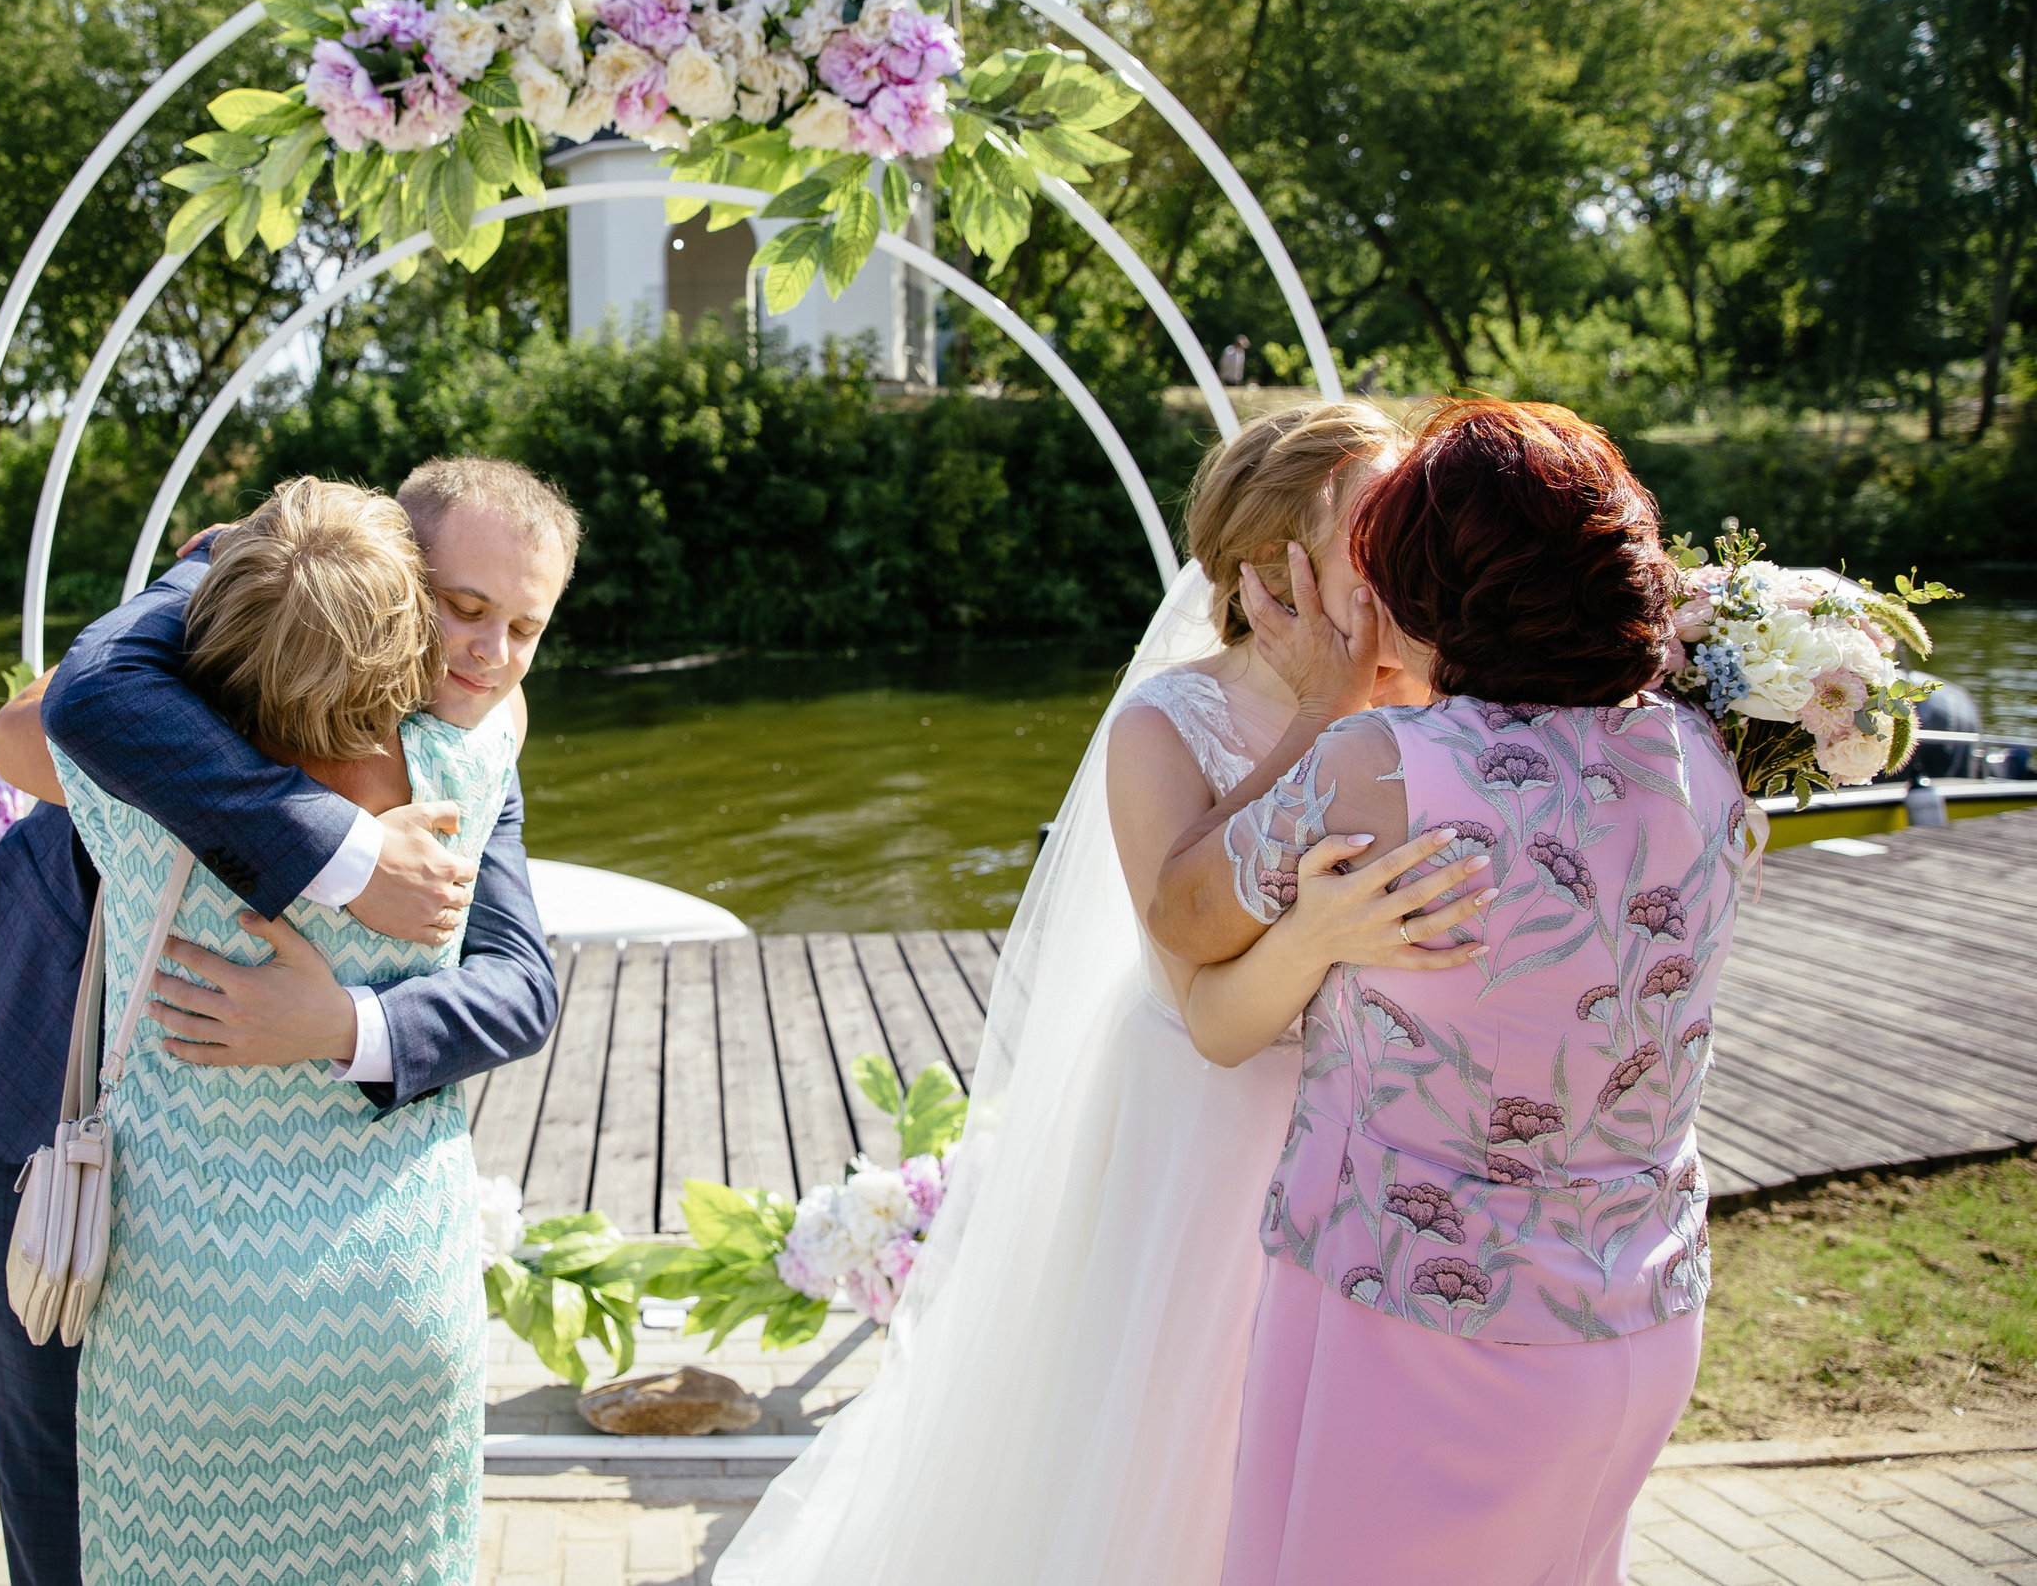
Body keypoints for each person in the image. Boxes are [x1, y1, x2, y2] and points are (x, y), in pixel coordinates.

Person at [715, 404, 1477, 1586]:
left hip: (1381, 1138)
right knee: (1191, 1456)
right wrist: (1322, 718)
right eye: (1374, 538)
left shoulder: (1434, 703)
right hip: (1214, 1136)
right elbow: (1199, 974)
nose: (1409, 563)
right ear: (1271, 571)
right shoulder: (1166, 726)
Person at [0, 456, 569, 1586]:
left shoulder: (472, 738)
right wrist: (347, 854)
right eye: (461, 607)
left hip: (224, 1202)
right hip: (42, 1079)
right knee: (55, 1477)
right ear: (397, 576)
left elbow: (520, 983)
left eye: (524, 627)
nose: (489, 652)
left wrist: (349, 1023)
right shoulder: (215, 640)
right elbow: (39, 727)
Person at [1151, 400, 1746, 1585]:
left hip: (1414, 1317)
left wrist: (1323, 704)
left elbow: (1183, 912)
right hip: (1639, 1309)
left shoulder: (1385, 766)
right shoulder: (1700, 757)